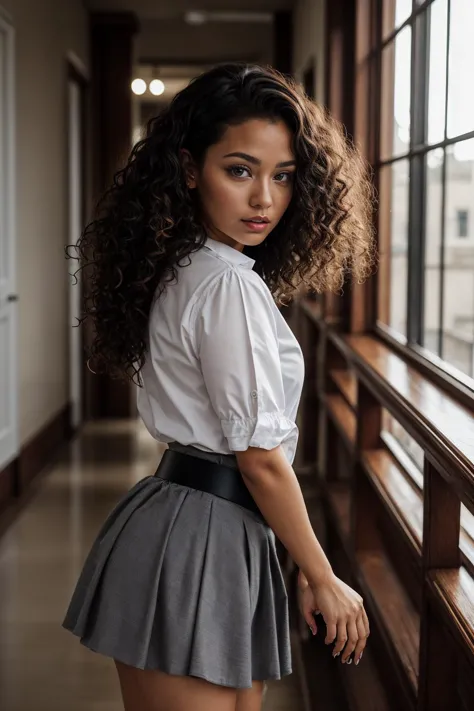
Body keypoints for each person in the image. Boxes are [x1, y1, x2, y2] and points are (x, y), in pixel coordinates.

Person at [62, 63, 374, 711]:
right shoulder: (224, 281)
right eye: (240, 170)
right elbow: (259, 456)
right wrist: (323, 575)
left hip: (203, 525)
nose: (265, 198)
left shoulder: (191, 264)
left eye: (283, 176)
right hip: (199, 532)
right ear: (188, 169)